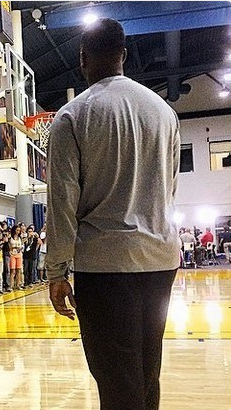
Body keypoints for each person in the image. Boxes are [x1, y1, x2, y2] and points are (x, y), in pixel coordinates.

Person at [46, 18, 180, 410]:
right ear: (123, 55)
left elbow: (62, 202)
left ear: (82, 59)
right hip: (160, 259)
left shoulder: (73, 116)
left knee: (116, 378)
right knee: (145, 371)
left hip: (105, 266)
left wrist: (57, 271)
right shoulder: (163, 112)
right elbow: (168, 190)